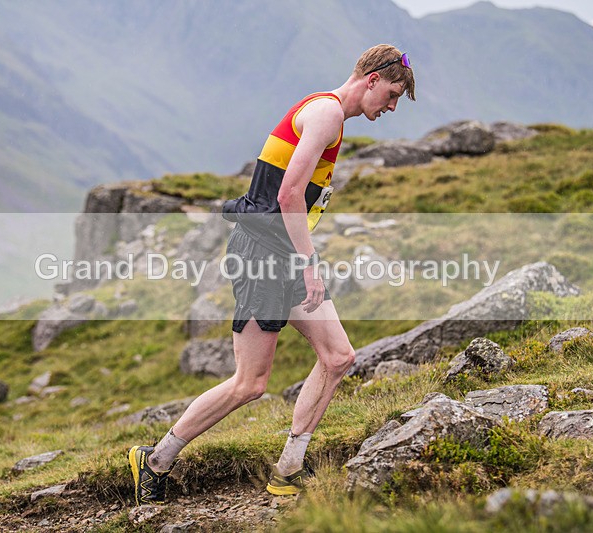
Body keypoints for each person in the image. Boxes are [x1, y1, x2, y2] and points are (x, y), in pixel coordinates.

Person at [129, 44, 416, 505]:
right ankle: (156, 459)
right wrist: (309, 265)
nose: (391, 106)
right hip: (263, 253)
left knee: (339, 357)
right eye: (393, 94)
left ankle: (288, 471)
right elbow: (288, 195)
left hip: (282, 250)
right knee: (251, 383)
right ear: (372, 80)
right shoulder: (326, 113)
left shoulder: (330, 116)